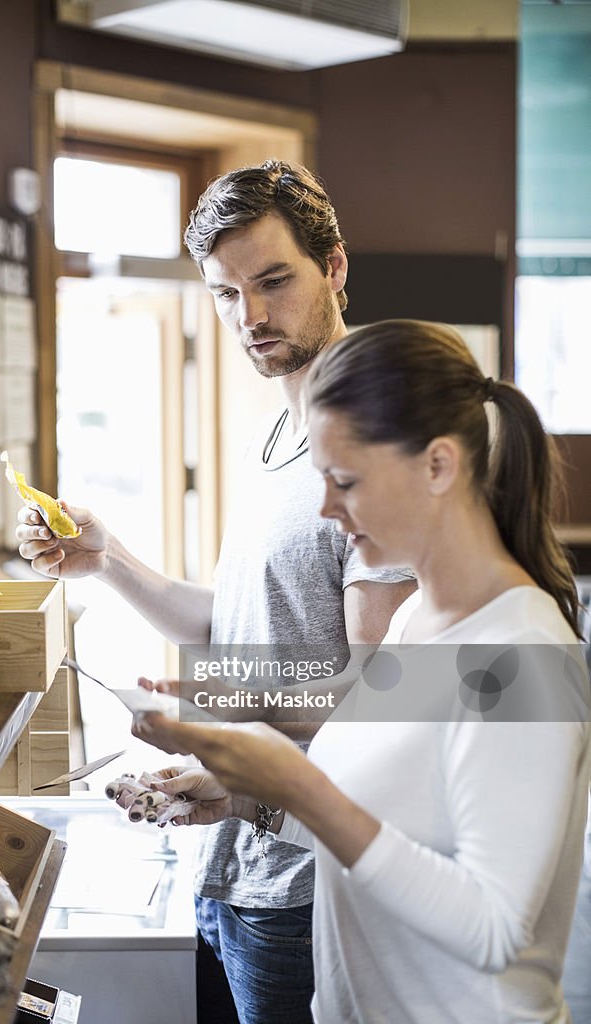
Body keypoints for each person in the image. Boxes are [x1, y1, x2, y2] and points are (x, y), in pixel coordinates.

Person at [16, 161, 415, 1024]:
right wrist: (107, 560)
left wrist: (225, 760)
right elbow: (242, 627)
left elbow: (378, 695)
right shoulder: (278, 429)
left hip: (313, 887)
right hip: (234, 862)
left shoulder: (377, 437)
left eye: (274, 281)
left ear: (335, 266)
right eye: (225, 295)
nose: (253, 317)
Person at [132, 319, 591, 1024]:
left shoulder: (519, 653)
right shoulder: (415, 623)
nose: (326, 508)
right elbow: (393, 827)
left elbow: (493, 928)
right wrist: (252, 799)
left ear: (438, 466)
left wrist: (299, 786)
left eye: (345, 481)